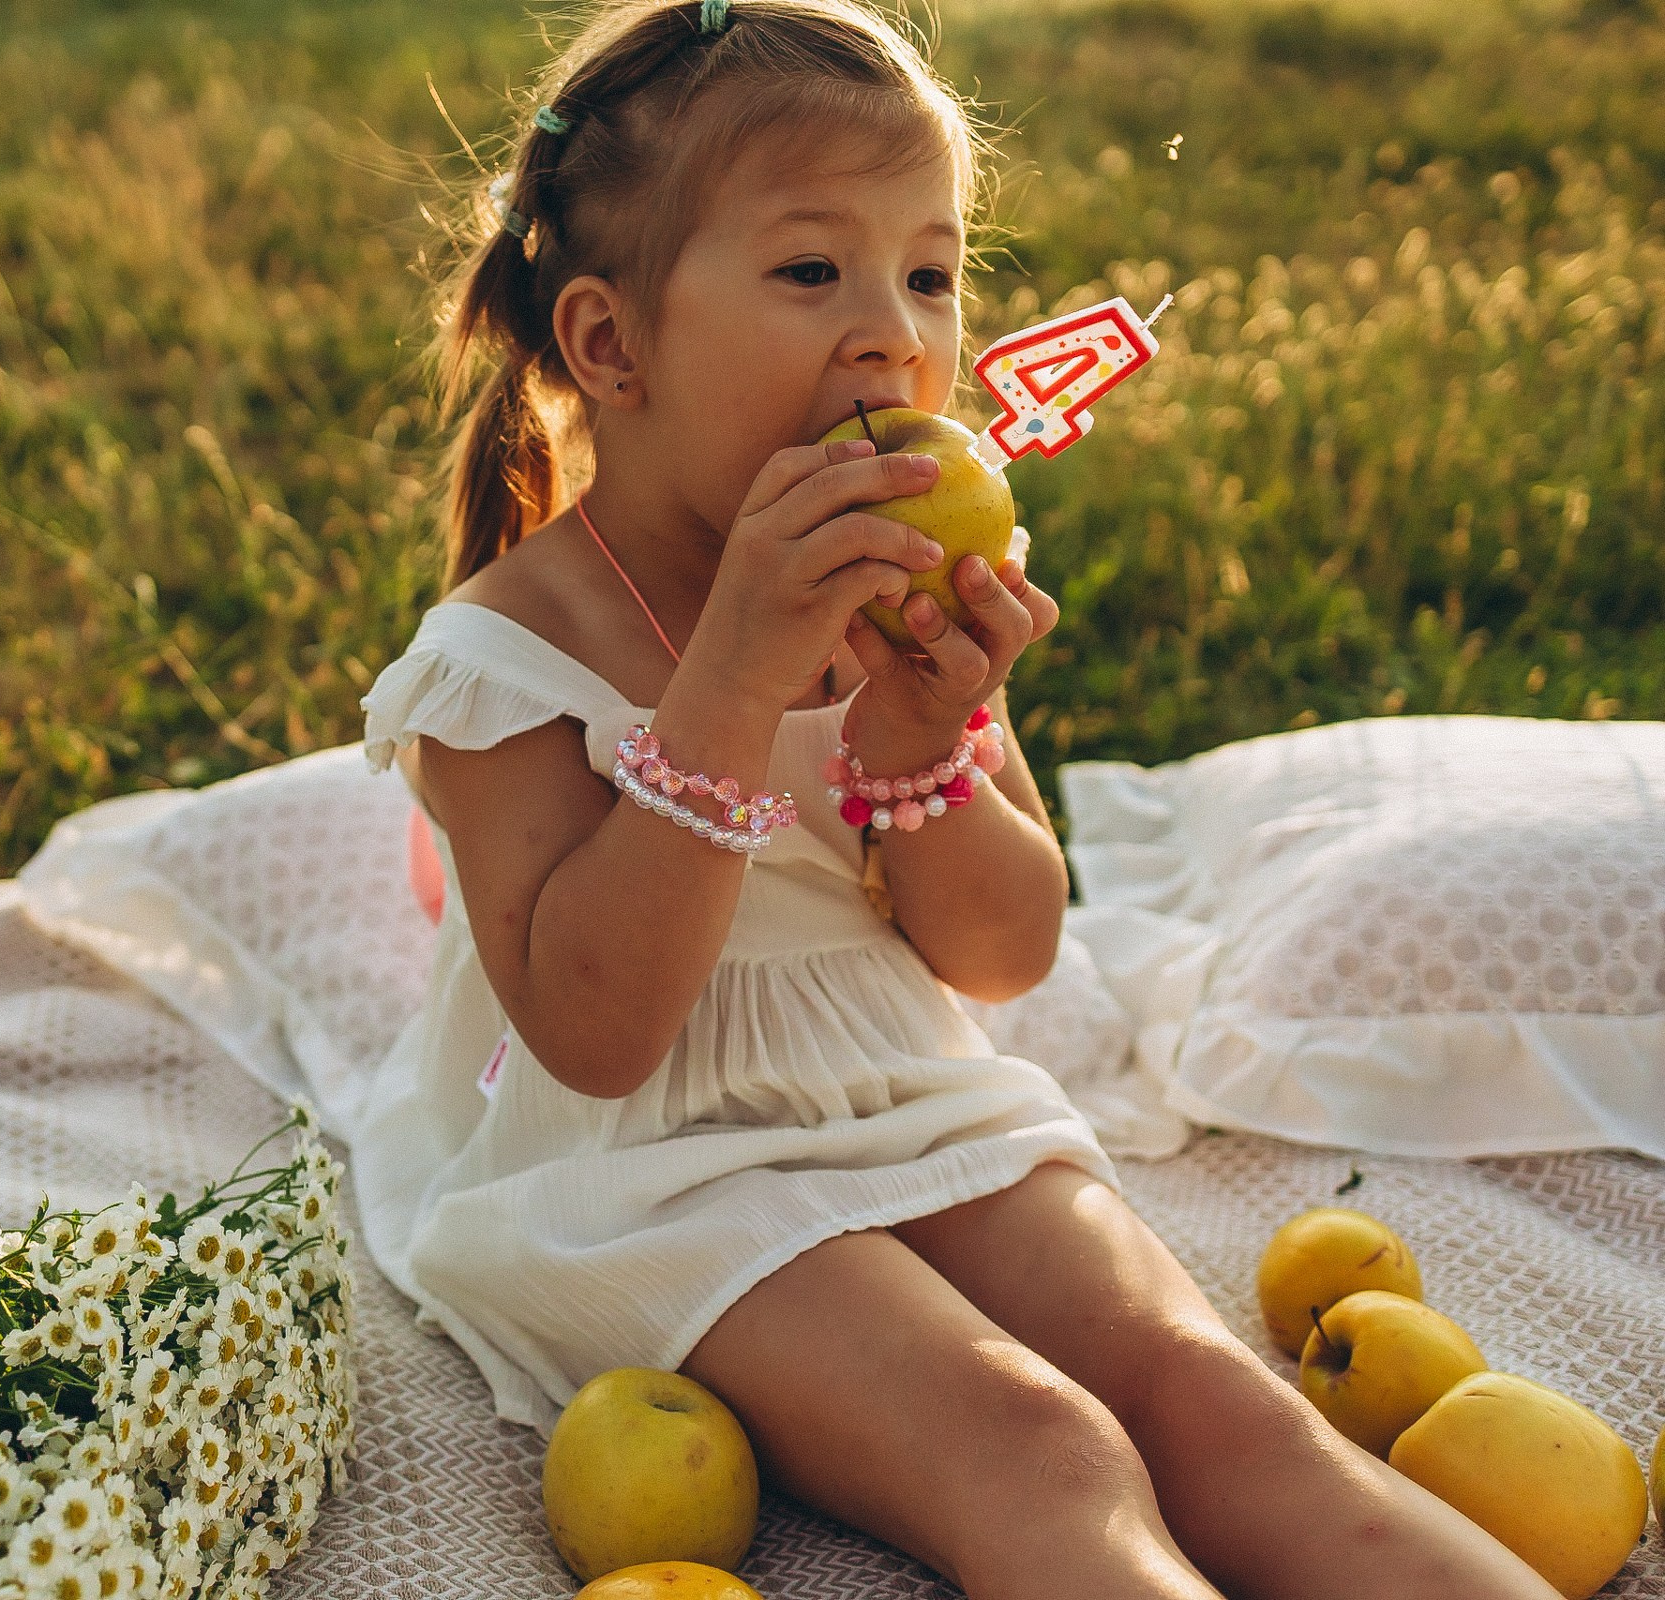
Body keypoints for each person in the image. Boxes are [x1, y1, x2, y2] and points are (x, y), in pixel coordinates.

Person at [351, 3, 1558, 1596]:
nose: (892, 339)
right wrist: (731, 676)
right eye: (811, 271)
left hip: (908, 1098)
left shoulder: (899, 596)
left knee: (1224, 1412)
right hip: (640, 1167)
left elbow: (1000, 954)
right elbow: (597, 1033)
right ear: (608, 344)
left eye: (929, 274)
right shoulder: (509, 656)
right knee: (1033, 1441)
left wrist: (925, 741)